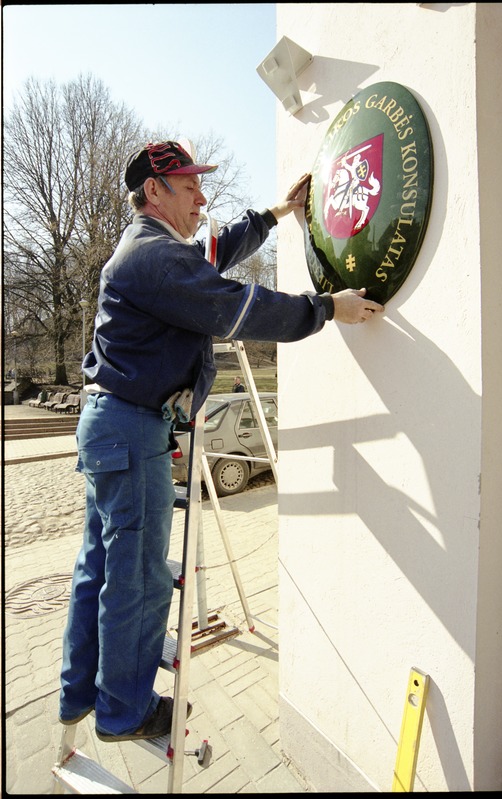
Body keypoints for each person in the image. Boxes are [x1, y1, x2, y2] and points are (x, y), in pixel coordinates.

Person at [58, 139, 384, 743]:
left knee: (98, 565)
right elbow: (239, 308)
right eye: (188, 186)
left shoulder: (155, 252)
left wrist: (276, 215)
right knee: (138, 576)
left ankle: (78, 691)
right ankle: (123, 711)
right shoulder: (154, 260)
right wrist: (326, 309)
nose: (201, 197)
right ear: (154, 192)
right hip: (131, 430)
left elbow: (214, 251)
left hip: (109, 425)